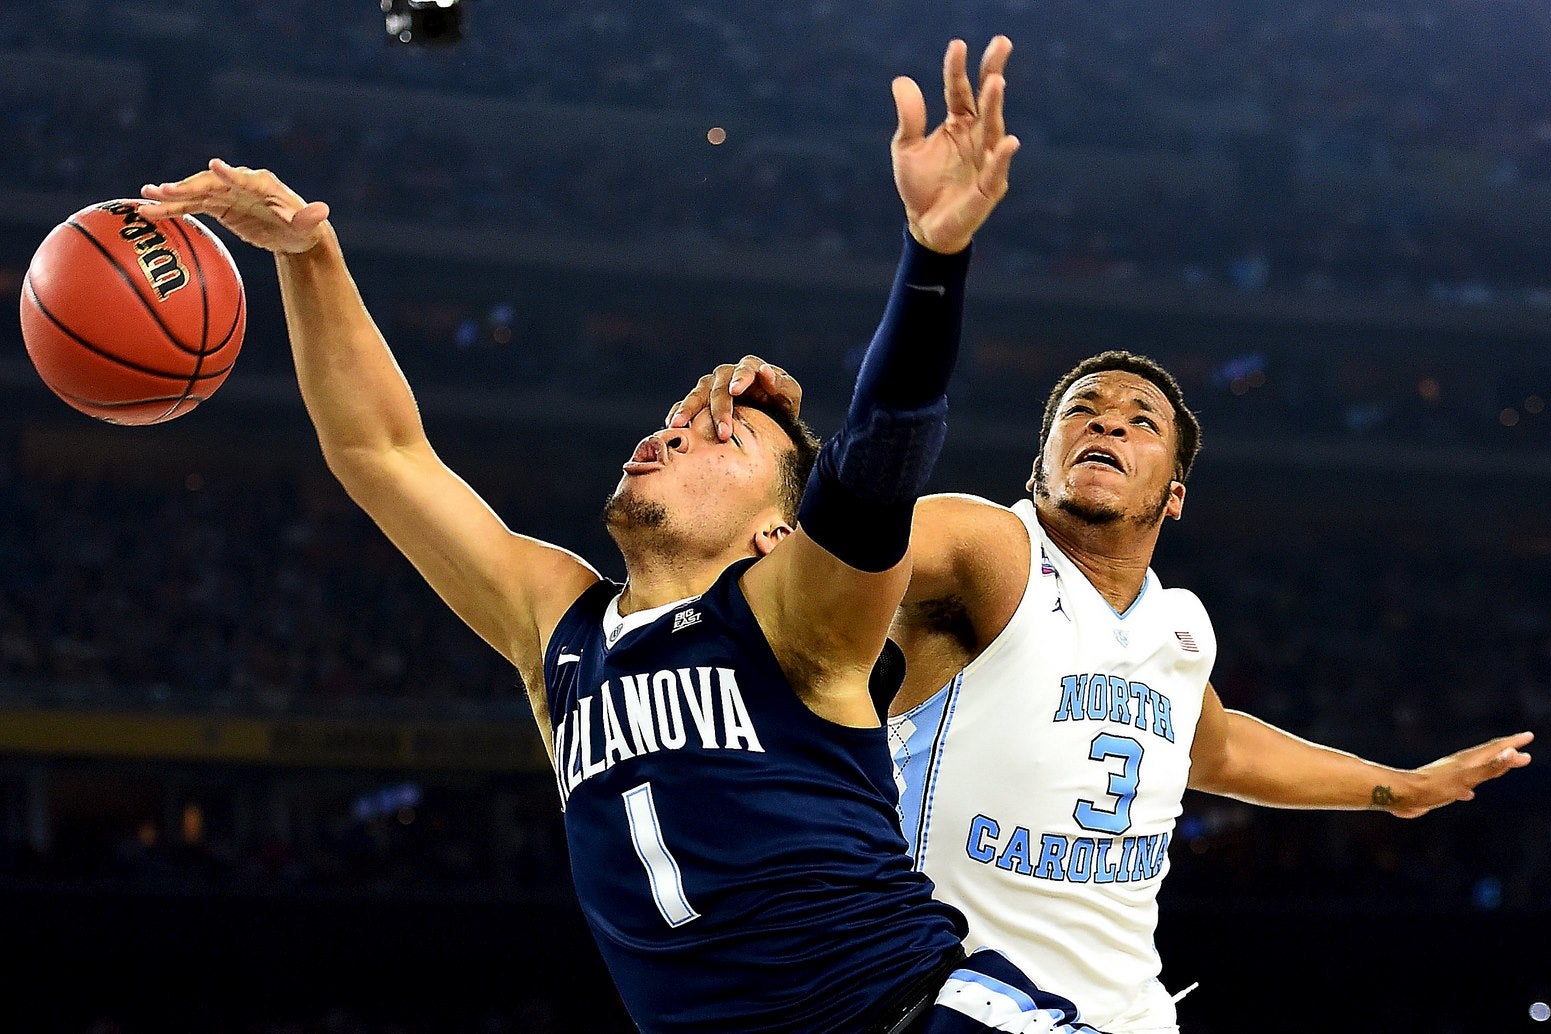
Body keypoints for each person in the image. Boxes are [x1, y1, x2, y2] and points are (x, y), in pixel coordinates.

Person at [139, 36, 1109, 1034]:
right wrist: (311, 255)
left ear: (780, 530)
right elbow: (381, 453)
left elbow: (884, 442)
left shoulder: (795, 616)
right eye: (680, 418)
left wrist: (934, 257)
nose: (674, 428)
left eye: (721, 432)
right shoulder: (555, 621)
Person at [670, 349, 1535, 1033]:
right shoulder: (990, 550)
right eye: (1080, 410)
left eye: (1138, 420)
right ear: (1040, 464)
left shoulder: (1181, 626)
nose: (1105, 424)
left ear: (1175, 496)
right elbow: (856, 543)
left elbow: (1222, 750)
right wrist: (790, 458)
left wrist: (1399, 789)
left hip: (1128, 1015)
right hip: (950, 1003)